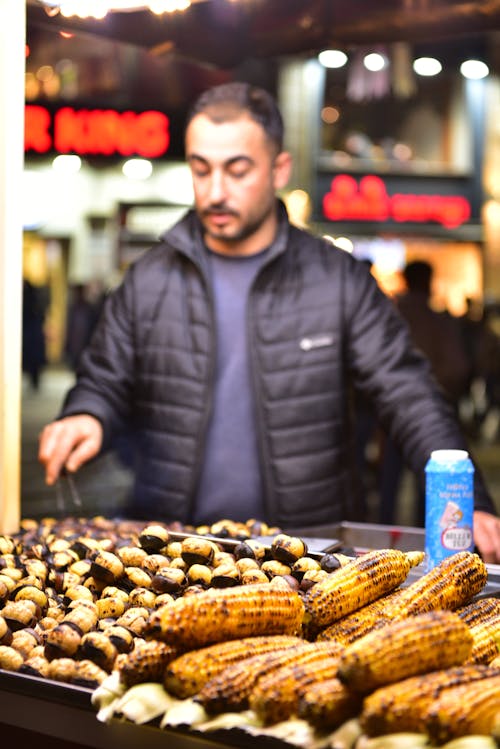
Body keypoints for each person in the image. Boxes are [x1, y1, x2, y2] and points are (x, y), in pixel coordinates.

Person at [38, 82, 500, 563]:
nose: (215, 191)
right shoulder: (149, 281)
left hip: (308, 555)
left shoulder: (336, 279)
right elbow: (104, 379)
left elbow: (409, 395)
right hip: (174, 557)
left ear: (279, 168)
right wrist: (84, 414)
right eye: (201, 170)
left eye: (237, 171)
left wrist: (471, 506)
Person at [378, 260, 471, 526]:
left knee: (390, 480)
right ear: (427, 282)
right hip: (429, 413)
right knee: (429, 484)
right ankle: (426, 535)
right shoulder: (436, 320)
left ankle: (384, 532)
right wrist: (441, 393)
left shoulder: (390, 315)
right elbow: (458, 365)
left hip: (390, 414)